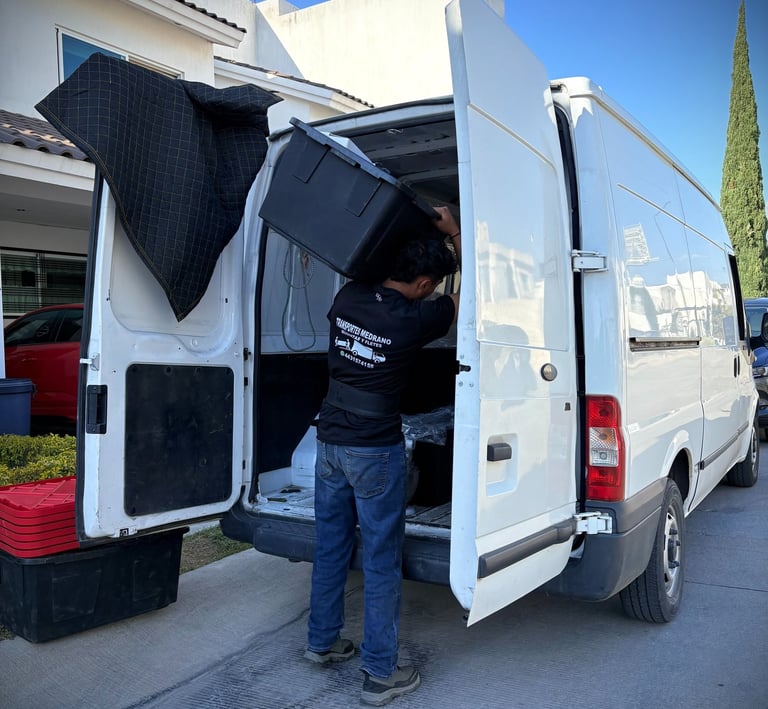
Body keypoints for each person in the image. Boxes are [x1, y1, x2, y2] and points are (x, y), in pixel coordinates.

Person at [304, 206, 461, 706]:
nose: (431, 293)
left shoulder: (349, 295)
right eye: (430, 287)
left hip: (329, 442)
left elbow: (368, 263)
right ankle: (379, 673)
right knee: (380, 559)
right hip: (373, 450)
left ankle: (322, 642)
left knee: (330, 545)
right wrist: (456, 233)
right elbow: (478, 294)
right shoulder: (415, 319)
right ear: (423, 284)